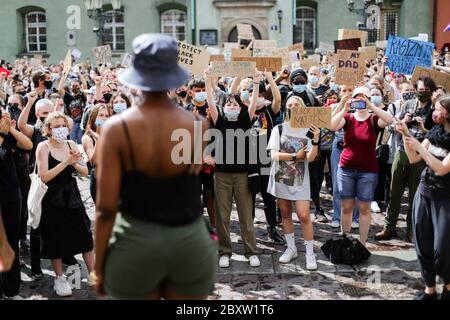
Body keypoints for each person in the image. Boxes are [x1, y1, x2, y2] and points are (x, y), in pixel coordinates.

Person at [93, 34, 217, 300]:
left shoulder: (116, 129)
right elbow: (190, 177)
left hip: (136, 243)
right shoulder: (199, 124)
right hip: (190, 242)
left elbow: (105, 209)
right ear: (173, 75)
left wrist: (99, 266)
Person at [205, 66, 262, 269]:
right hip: (222, 175)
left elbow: (254, 103)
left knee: (246, 216)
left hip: (243, 175)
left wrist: (256, 82)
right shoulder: (219, 120)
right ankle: (225, 251)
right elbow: (211, 102)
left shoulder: (246, 119)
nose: (230, 105)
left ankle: (251, 251)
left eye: (234, 103)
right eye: (228, 102)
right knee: (222, 216)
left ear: (240, 107)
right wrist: (207, 78)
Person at [36, 112, 94, 297]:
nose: (61, 129)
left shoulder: (71, 143)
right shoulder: (43, 147)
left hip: (72, 196)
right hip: (52, 198)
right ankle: (60, 278)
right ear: (48, 129)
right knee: (55, 240)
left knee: (85, 237)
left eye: (63, 125)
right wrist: (65, 162)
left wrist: (75, 162)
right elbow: (44, 176)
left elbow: (85, 172)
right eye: (56, 126)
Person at [398, 95, 450, 300]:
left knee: (443, 248)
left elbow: (442, 168)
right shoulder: (435, 132)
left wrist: (420, 147)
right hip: (424, 193)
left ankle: (447, 286)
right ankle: (429, 289)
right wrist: (405, 133)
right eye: (434, 109)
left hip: (445, 199)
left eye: (438, 109)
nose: (434, 113)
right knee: (423, 245)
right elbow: (414, 159)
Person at [330, 86, 393, 246]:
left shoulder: (373, 120)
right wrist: (344, 107)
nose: (360, 101)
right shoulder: (348, 118)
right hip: (346, 169)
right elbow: (331, 126)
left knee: (364, 208)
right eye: (357, 98)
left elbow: (389, 120)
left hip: (368, 171)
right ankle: (345, 240)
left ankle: (363, 243)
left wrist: (372, 107)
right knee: (347, 207)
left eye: (363, 98)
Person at [376, 77, 437, 242]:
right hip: (401, 152)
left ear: (431, 92)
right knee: (394, 192)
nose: (421, 93)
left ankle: (412, 229)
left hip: (420, 155)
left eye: (425, 90)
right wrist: (404, 121)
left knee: (415, 194)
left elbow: (436, 134)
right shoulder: (407, 105)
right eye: (419, 89)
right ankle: (389, 227)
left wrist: (424, 127)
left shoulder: (434, 110)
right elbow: (392, 125)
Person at [268, 95, 321, 269]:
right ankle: (291, 248)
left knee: (304, 215)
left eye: (297, 104)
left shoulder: (309, 129)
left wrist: (316, 139)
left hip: (300, 179)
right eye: (290, 104)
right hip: (281, 177)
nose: (293, 106)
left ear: (303, 107)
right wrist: (293, 156)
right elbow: (273, 155)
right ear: (286, 108)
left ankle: (310, 253)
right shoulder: (279, 128)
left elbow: (311, 158)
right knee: (284, 214)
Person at [0, 108, 33, 299]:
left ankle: (11, 290)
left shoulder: (7, 135)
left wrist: (10, 129)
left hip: (11, 196)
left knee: (11, 242)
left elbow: (28, 145)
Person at [329, 85, 360, 228]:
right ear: (339, 93)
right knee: (336, 183)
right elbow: (328, 122)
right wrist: (342, 106)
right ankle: (336, 216)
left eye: (350, 90)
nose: (348, 93)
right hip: (338, 147)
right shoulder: (336, 105)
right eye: (344, 91)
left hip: (355, 148)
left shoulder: (360, 105)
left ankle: (354, 217)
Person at [82, 104, 111, 203]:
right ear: (93, 117)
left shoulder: (112, 134)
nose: (104, 118)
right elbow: (93, 160)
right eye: (101, 115)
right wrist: (98, 139)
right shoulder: (87, 138)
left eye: (106, 116)